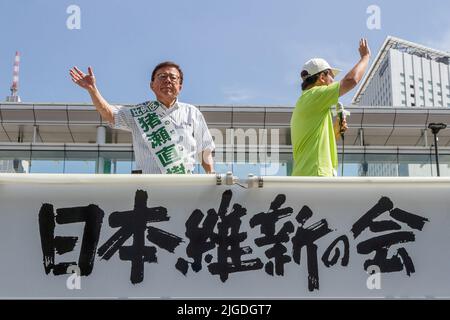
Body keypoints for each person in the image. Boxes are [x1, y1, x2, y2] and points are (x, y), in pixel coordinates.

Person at [69, 61, 215, 174]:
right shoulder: (139, 112)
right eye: (162, 77)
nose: (168, 80)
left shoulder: (193, 113)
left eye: (173, 77)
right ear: (152, 85)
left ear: (180, 86)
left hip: (184, 186)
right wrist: (93, 90)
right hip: (147, 188)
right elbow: (110, 114)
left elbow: (204, 150)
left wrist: (212, 177)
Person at [290, 38, 371, 176]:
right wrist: (365, 57)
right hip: (316, 176)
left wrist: (335, 129)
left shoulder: (307, 103)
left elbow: (316, 140)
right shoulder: (314, 95)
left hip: (308, 176)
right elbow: (351, 81)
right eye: (331, 77)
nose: (333, 81)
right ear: (322, 77)